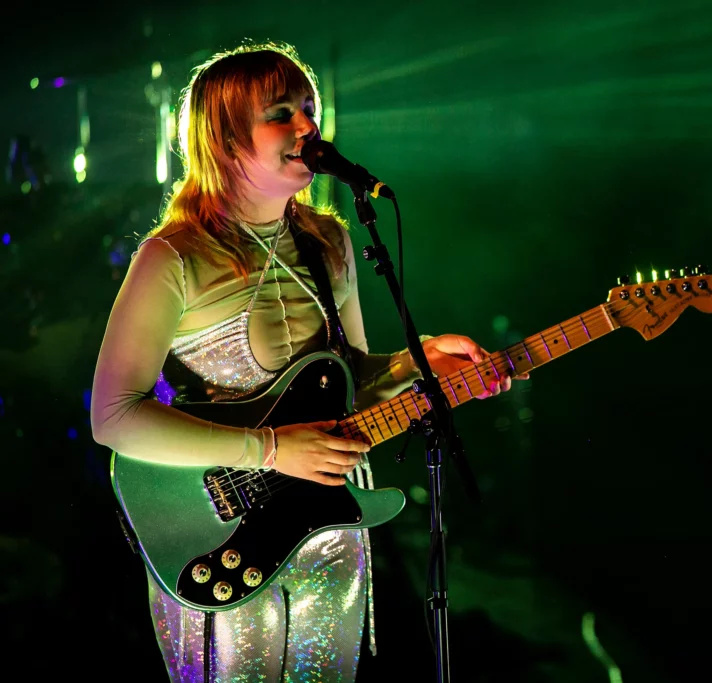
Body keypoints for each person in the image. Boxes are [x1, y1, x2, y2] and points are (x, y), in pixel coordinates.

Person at [90, 41, 521, 682]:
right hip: (223, 537)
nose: (307, 127)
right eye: (282, 113)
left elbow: (349, 380)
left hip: (332, 531)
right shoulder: (174, 257)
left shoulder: (330, 241)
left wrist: (417, 363)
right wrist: (270, 450)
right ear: (226, 137)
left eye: (310, 110)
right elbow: (112, 417)